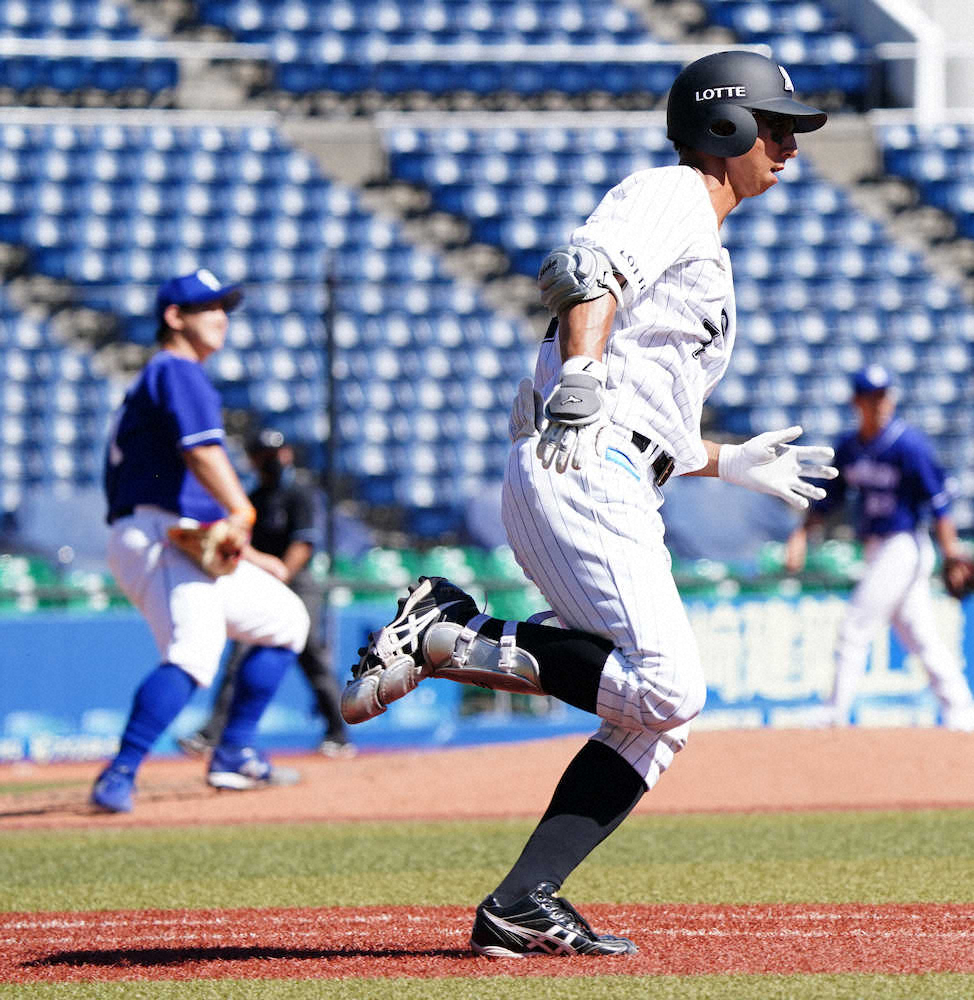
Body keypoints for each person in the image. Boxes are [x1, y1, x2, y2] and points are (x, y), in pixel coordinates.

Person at [341, 50, 836, 956]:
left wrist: (727, 462)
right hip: (584, 467)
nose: (789, 147)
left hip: (613, 469)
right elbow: (585, 269)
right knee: (670, 688)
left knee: (656, 724)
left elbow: (647, 411)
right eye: (775, 127)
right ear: (724, 125)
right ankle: (451, 632)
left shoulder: (705, 234)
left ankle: (521, 901)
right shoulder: (675, 193)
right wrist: (580, 368)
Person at [90, 269, 310, 813]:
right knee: (195, 651)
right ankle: (119, 774)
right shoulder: (177, 368)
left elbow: (189, 481)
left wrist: (251, 554)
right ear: (174, 317)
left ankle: (233, 753)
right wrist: (242, 509)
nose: (221, 318)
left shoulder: (165, 375)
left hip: (176, 533)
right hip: (159, 533)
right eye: (208, 307)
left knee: (285, 620)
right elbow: (202, 453)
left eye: (224, 308)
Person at [785, 363, 974, 729]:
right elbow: (828, 499)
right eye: (871, 396)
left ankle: (834, 711)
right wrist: (801, 535)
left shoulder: (909, 445)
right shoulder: (850, 447)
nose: (879, 403)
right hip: (878, 547)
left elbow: (939, 504)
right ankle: (961, 708)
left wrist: (951, 552)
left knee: (854, 626)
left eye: (884, 395)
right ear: (857, 402)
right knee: (920, 635)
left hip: (903, 545)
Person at [178, 428, 355, 759]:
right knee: (239, 655)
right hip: (262, 582)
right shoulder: (254, 499)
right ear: (253, 459)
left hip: (296, 582)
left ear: (286, 454)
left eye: (277, 453)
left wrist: (282, 573)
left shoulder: (299, 493)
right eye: (265, 454)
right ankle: (212, 733)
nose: (273, 460)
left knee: (311, 657)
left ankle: (338, 733)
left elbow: (304, 543)